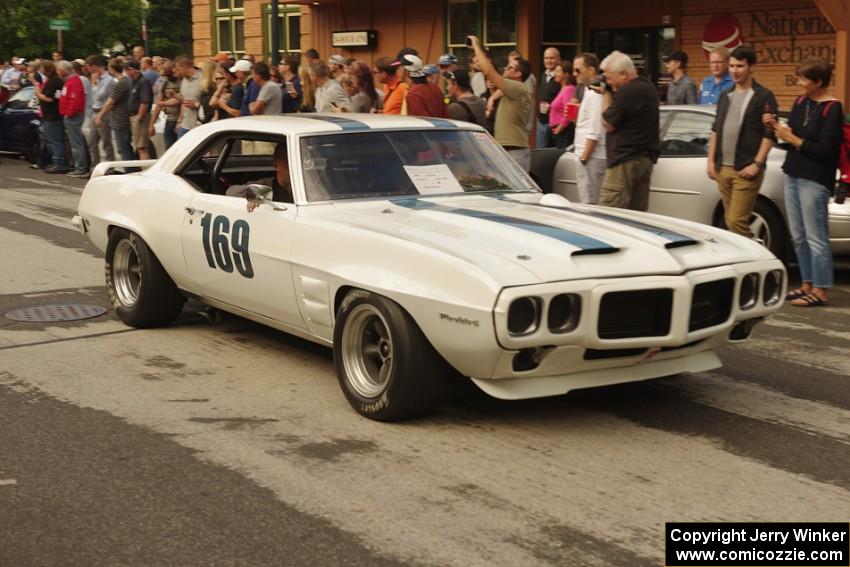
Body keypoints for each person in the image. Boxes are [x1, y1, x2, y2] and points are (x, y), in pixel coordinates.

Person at [763, 57, 842, 307]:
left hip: (816, 178)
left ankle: (820, 290)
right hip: (793, 172)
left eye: (803, 79)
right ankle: (806, 283)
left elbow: (826, 150)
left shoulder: (833, 108)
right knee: (797, 235)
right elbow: (790, 137)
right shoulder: (800, 102)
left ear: (818, 82)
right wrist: (776, 128)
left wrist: (793, 139)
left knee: (816, 236)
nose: (798, 83)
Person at [707, 45, 777, 238]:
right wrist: (711, 161)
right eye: (731, 66)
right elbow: (715, 130)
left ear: (751, 67)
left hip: (745, 170)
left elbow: (770, 133)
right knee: (730, 222)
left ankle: (755, 262)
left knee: (737, 221)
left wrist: (757, 164)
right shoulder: (725, 95)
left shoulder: (763, 96)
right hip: (723, 169)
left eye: (740, 66)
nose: (734, 71)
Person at [596, 50, 660, 211]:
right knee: (636, 216)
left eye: (610, 77)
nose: (608, 82)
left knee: (609, 214)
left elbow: (607, 123)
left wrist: (605, 94)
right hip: (644, 158)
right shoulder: (648, 87)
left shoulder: (627, 92)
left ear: (624, 74)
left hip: (624, 161)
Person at [469, 35, 533, 171]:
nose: (505, 68)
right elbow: (499, 90)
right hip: (509, 150)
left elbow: (489, 71)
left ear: (518, 74)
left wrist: (476, 46)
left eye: (510, 67)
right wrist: (492, 99)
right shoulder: (515, 89)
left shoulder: (518, 87)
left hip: (514, 152)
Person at [571, 53, 607, 204]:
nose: (574, 74)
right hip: (589, 156)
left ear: (591, 70)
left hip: (592, 157)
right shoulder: (588, 92)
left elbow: (595, 131)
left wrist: (584, 158)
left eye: (578, 70)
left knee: (590, 205)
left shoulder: (594, 95)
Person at [226, 142, 293, 213]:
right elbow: (231, 192)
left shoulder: (305, 186)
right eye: (288, 162)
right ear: (276, 166)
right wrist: (254, 194)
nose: (294, 167)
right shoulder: (266, 186)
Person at [35, 60, 69, 173]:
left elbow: (49, 98)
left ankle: (59, 162)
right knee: (52, 139)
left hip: (52, 115)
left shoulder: (53, 82)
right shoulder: (55, 80)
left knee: (55, 140)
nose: (40, 70)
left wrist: (38, 93)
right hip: (51, 114)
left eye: (42, 68)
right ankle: (56, 161)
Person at [96, 59, 134, 161]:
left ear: (112, 69)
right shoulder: (128, 80)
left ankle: (128, 171)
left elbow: (110, 102)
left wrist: (100, 116)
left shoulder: (121, 83)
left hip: (120, 119)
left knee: (123, 148)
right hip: (125, 117)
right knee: (126, 146)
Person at [57, 60, 89, 177]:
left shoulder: (73, 82)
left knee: (76, 143)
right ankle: (79, 166)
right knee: (75, 143)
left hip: (73, 116)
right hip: (71, 114)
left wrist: (69, 113)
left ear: (63, 71)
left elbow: (75, 100)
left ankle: (80, 168)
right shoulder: (72, 81)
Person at [85, 55, 115, 167]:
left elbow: (111, 99)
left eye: (89, 67)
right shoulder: (96, 79)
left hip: (104, 112)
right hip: (95, 110)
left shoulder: (109, 80)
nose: (88, 70)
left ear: (94, 66)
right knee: (92, 142)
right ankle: (94, 166)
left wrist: (102, 114)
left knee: (106, 142)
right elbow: (95, 96)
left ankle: (109, 167)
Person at [148, 60, 181, 149]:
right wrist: (152, 124)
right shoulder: (165, 83)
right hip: (170, 119)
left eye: (169, 74)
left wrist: (164, 103)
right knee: (169, 148)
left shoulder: (182, 81)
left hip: (180, 121)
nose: (167, 77)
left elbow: (181, 100)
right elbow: (159, 104)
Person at [124, 59, 153, 160]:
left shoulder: (143, 82)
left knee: (142, 148)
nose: (126, 72)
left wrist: (139, 118)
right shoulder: (133, 82)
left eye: (127, 69)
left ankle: (146, 172)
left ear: (133, 70)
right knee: (140, 147)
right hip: (134, 116)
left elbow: (145, 102)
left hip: (140, 118)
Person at [536, 47, 562, 148]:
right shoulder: (543, 75)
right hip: (541, 121)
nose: (548, 61)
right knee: (540, 151)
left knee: (551, 153)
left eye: (552, 58)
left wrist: (552, 106)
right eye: (546, 58)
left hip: (554, 123)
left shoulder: (561, 76)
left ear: (558, 59)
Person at [548, 61, 576, 149]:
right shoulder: (562, 89)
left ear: (566, 74)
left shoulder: (569, 89)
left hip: (563, 131)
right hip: (556, 130)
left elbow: (569, 111)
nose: (555, 74)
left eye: (558, 71)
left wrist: (560, 128)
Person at [175, 55, 202, 136]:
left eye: (178, 69)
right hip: (185, 125)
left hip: (198, 126)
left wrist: (196, 105)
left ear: (184, 67)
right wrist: (180, 120)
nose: (177, 72)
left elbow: (209, 102)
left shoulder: (202, 78)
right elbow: (184, 102)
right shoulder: (183, 81)